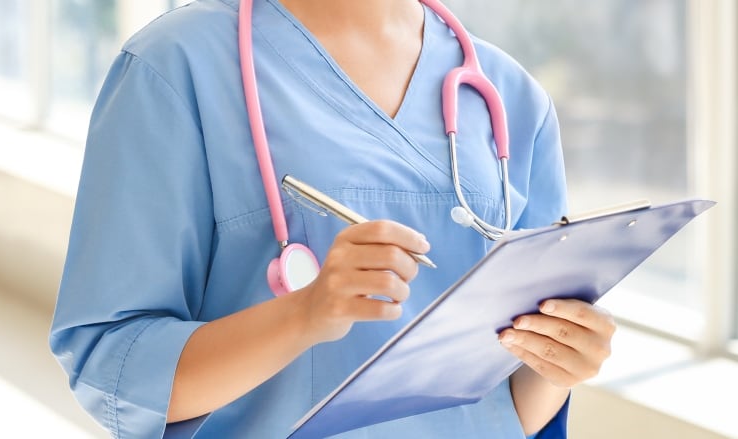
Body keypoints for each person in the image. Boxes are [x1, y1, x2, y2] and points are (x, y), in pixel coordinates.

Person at [49, 0, 616, 438]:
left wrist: (559, 361)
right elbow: (112, 363)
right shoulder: (176, 65)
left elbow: (512, 406)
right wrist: (302, 315)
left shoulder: (511, 94)